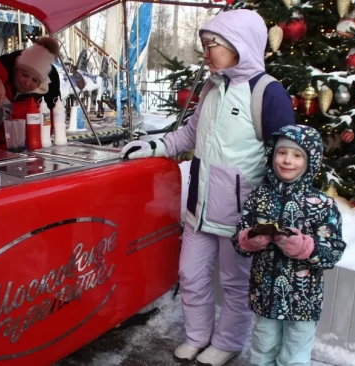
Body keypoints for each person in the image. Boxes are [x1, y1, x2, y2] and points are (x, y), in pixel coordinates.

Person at [121, 9, 295, 366]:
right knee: (191, 274)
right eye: (205, 44)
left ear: (238, 45)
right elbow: (188, 134)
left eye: (211, 44)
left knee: (234, 284)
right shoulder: (212, 88)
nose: (206, 51)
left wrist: (269, 215)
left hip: (240, 216)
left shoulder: (268, 93)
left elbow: (285, 157)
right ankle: (198, 336)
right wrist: (153, 147)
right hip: (199, 207)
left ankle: (228, 342)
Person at [231, 125, 347, 366]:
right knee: (263, 346)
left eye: (297, 155)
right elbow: (239, 241)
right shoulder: (260, 196)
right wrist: (252, 239)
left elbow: (333, 252)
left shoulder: (323, 205)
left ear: (310, 160)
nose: (287, 161)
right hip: (265, 293)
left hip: (304, 298)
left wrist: (305, 247)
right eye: (281, 153)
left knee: (295, 353)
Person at [0, 37, 61, 152]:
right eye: (25, 74)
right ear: (16, 69)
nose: (27, 83)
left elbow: (46, 133)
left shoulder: (44, 103)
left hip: (18, 157)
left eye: (35, 80)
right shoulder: (2, 75)